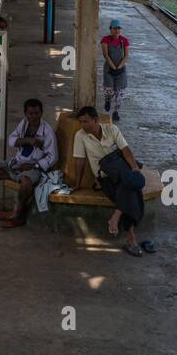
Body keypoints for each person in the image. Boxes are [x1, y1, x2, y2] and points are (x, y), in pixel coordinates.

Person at [69, 106, 154, 257]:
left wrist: (135, 168)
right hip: (106, 177)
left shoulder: (112, 129)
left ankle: (116, 217)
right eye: (81, 122)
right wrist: (77, 183)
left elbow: (125, 150)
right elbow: (80, 161)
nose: (83, 125)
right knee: (133, 191)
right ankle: (131, 239)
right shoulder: (80, 136)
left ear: (95, 120)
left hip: (123, 170)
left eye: (85, 122)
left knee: (134, 182)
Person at [0, 98, 58, 228]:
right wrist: (28, 140)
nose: (33, 116)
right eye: (30, 113)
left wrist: (34, 165)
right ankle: (16, 176)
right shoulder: (24, 124)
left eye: (36, 113)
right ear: (25, 114)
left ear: (41, 113)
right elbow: (11, 140)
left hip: (34, 167)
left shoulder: (47, 131)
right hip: (17, 163)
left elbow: (53, 157)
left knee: (27, 182)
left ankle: (18, 214)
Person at [101, 19, 129, 121]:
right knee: (109, 88)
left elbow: (126, 56)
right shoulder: (105, 40)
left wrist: (120, 66)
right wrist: (113, 66)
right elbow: (106, 55)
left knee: (120, 91)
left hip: (121, 69)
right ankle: (107, 101)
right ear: (110, 29)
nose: (117, 31)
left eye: (118, 28)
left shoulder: (124, 41)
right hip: (109, 68)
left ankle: (116, 111)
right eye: (115, 28)